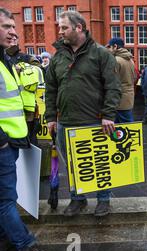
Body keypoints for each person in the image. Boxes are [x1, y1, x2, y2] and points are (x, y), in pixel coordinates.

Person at [45, 11, 121, 217]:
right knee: (71, 165)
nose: (60, 32)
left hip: (94, 120)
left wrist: (108, 115)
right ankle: (77, 199)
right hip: (65, 122)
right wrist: (51, 117)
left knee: (99, 162)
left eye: (64, 28)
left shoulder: (100, 54)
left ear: (79, 28)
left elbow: (113, 87)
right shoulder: (58, 56)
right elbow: (50, 88)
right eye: (59, 28)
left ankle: (103, 199)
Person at [0, 7, 53, 251]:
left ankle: (5, 237)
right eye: (6, 27)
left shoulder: (5, 61)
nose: (13, 32)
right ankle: (25, 245)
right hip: (3, 143)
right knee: (5, 199)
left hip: (12, 139)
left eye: (13, 26)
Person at [5, 34, 43, 145]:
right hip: (7, 108)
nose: (12, 40)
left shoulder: (26, 58)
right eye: (9, 38)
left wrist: (23, 69)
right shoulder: (2, 59)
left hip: (27, 109)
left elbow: (41, 72)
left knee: (29, 140)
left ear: (18, 40)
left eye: (14, 38)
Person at [106, 37, 136, 123]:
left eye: (109, 47)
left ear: (115, 46)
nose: (108, 49)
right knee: (126, 123)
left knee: (123, 125)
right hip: (128, 96)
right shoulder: (130, 59)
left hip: (119, 97)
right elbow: (134, 77)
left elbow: (111, 80)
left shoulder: (115, 60)